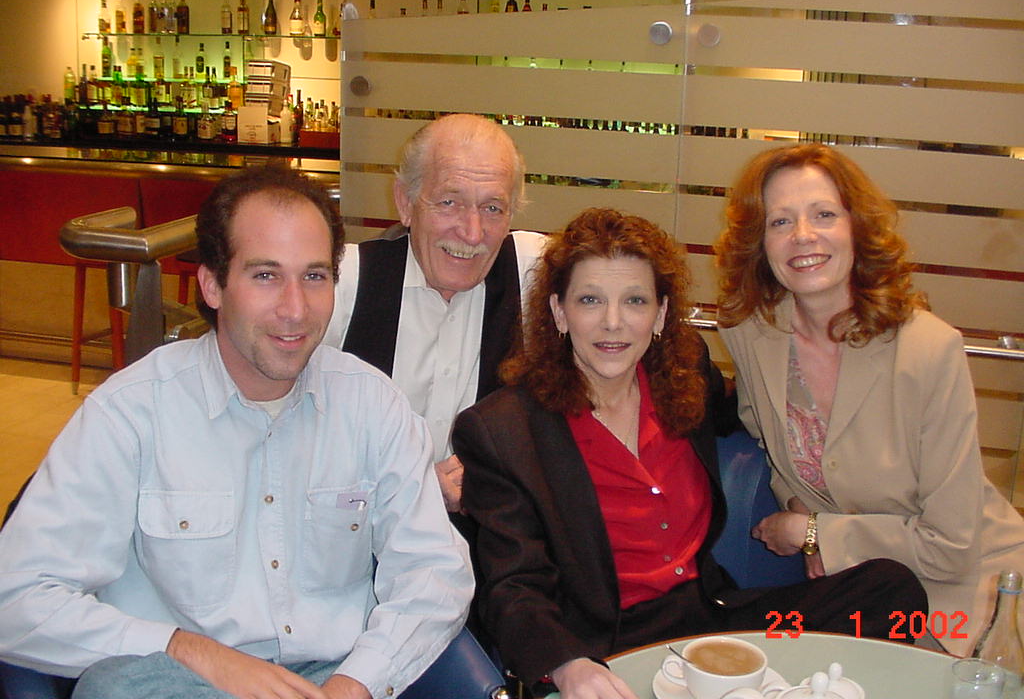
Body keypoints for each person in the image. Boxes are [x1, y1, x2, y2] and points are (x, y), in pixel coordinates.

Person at [0, 166, 473, 699]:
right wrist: (189, 649)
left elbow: (434, 574)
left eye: (314, 276)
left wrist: (356, 683)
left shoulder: (373, 406)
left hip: (335, 676)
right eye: (265, 275)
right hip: (173, 680)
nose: (295, 309)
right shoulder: (131, 412)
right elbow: (14, 600)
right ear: (212, 285)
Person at [453, 207, 926, 699]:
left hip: (710, 620)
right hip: (608, 648)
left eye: (634, 300)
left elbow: (767, 426)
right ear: (558, 312)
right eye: (590, 300)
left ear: (659, 315)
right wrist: (569, 666)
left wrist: (809, 513)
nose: (612, 323)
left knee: (892, 591)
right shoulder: (504, 430)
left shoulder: (684, 377)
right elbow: (512, 586)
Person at [715, 143, 1024, 655]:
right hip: (861, 594)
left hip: (974, 604)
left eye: (824, 214)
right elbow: (774, 447)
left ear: (856, 228)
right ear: (759, 242)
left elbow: (951, 548)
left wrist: (812, 532)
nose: (803, 236)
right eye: (780, 221)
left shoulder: (928, 349)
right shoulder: (752, 333)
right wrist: (808, 519)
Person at [324, 113, 546, 513]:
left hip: (488, 556)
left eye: (493, 208)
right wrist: (417, 488)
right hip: (361, 547)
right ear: (405, 203)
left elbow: (629, 279)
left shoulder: (533, 273)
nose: (472, 232)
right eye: (449, 202)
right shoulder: (343, 285)